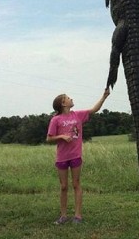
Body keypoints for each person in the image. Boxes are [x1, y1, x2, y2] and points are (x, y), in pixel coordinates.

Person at [46, 88, 110, 225]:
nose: (71, 99)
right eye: (68, 98)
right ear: (63, 103)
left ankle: (78, 216)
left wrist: (104, 97)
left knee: (76, 184)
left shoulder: (78, 115)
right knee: (63, 186)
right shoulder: (55, 119)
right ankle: (63, 216)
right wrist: (61, 136)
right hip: (62, 157)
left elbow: (94, 110)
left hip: (75, 155)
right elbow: (49, 139)